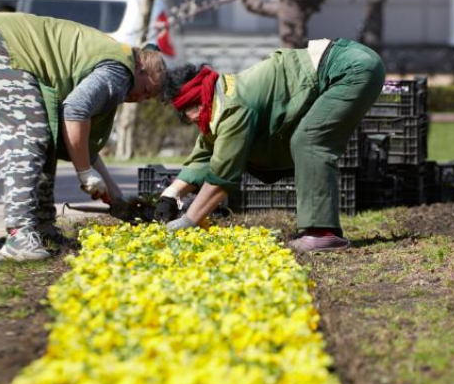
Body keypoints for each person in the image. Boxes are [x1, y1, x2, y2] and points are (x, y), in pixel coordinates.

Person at [0, 12, 166, 260]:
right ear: (141, 68)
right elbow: (75, 111)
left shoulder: (116, 61)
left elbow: (81, 144)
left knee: (45, 135)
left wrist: (115, 197)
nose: (139, 100)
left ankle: (42, 228)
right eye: (146, 91)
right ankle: (18, 234)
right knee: (27, 136)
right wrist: (84, 173)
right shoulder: (120, 71)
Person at [155, 38, 385, 252]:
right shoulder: (218, 95)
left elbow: (223, 175)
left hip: (350, 68)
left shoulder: (231, 106)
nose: (190, 120)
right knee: (305, 139)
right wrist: (171, 193)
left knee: (309, 141)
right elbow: (207, 151)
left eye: (187, 113)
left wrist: (188, 221)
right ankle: (319, 229)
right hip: (347, 61)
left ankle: (322, 232)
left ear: (198, 99)